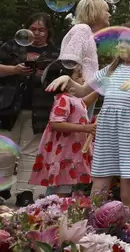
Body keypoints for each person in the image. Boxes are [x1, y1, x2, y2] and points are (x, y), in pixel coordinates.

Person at [46, 22, 130, 204]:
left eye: (128, 42)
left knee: (129, 183)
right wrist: (67, 79)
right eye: (119, 42)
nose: (121, 46)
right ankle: (96, 221)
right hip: (107, 129)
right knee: (100, 177)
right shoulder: (110, 70)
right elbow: (81, 91)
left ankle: (128, 223)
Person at [0, 13, 59, 206]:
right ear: (25, 28)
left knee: (30, 152)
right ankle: (2, 188)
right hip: (8, 105)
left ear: (49, 31)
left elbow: (60, 81)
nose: (37, 33)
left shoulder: (55, 53)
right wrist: (14, 70)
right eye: (33, 29)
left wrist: (43, 75)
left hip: (39, 108)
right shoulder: (12, 46)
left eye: (42, 29)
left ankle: (25, 191)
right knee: (5, 151)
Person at [28, 61, 96, 196]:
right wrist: (85, 128)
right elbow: (56, 123)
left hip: (72, 150)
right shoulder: (62, 98)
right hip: (64, 150)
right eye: (78, 76)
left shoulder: (73, 97)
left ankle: (59, 210)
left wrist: (99, 91)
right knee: (61, 185)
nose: (83, 80)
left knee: (68, 183)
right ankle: (54, 211)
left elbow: (83, 104)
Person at [58, 0, 111, 119]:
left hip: (84, 93)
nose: (109, 15)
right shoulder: (82, 29)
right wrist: (83, 95)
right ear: (94, 12)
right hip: (78, 95)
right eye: (106, 11)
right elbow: (70, 62)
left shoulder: (87, 33)